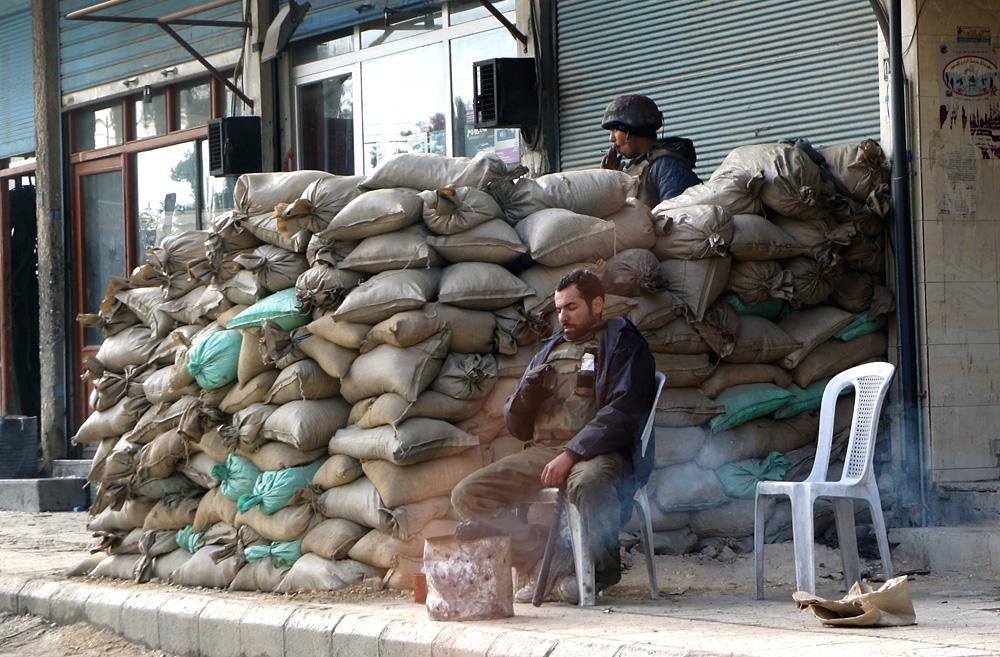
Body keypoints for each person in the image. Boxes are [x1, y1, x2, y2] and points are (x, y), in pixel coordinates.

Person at [451, 269, 657, 601]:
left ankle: (600, 571)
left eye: (572, 307)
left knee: (589, 482)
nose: (563, 316)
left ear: (598, 304)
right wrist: (525, 398)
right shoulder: (550, 349)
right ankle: (550, 561)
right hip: (543, 451)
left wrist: (573, 453)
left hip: (598, 452)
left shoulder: (621, 342)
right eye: (559, 308)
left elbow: (624, 411)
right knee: (468, 495)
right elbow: (517, 427)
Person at [600, 93, 702, 207]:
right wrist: (610, 183)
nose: (611, 138)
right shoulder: (632, 169)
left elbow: (678, 217)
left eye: (615, 130)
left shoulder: (666, 166)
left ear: (631, 129)